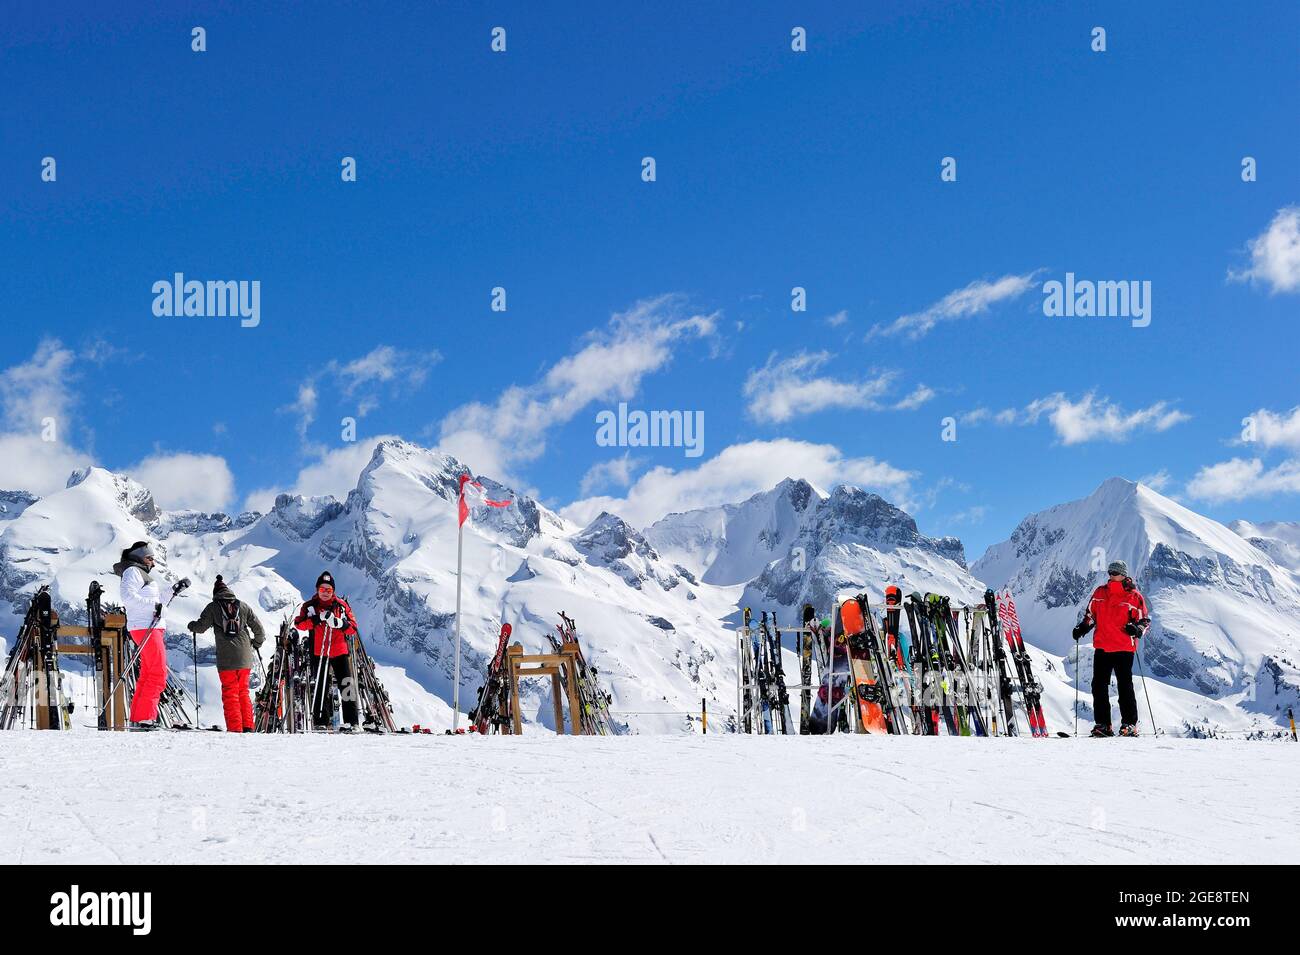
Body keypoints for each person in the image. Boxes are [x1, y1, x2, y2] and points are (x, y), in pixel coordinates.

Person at [1073, 560, 1150, 737]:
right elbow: (1091, 615)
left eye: (1115, 572)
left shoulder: (1134, 596)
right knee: (1098, 686)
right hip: (1102, 646)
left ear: (1124, 575)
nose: (1112, 575)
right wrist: (1082, 628)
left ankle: (1129, 725)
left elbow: (1145, 621)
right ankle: (1103, 725)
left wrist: (1137, 629)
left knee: (1125, 687)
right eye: (1110, 572)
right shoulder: (1100, 593)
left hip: (1124, 647)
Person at [187, 575, 265, 732]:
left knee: (230, 693)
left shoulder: (213, 607)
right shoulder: (243, 606)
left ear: (215, 593)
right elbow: (259, 630)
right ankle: (248, 727)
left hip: (226, 659)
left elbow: (200, 627)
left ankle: (235, 729)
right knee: (243, 691)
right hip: (245, 658)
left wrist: (191, 625)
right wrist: (256, 644)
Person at [111, 541, 168, 730]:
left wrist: (173, 591)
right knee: (158, 673)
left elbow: (156, 602)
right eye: (150, 558)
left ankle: (139, 717)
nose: (153, 563)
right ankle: (146, 718)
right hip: (145, 627)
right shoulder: (132, 572)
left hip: (148, 626)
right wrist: (154, 606)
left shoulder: (139, 572)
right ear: (139, 556)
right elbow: (128, 597)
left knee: (147, 674)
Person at [294, 571, 359, 732]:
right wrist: (316, 619)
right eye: (322, 589)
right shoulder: (309, 606)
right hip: (319, 651)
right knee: (320, 686)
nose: (325, 593)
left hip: (340, 651)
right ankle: (321, 720)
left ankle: (352, 722)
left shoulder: (341, 606)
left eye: (328, 590)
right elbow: (299, 624)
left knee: (347, 685)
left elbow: (353, 628)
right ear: (317, 589)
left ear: (333, 591)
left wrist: (340, 624)